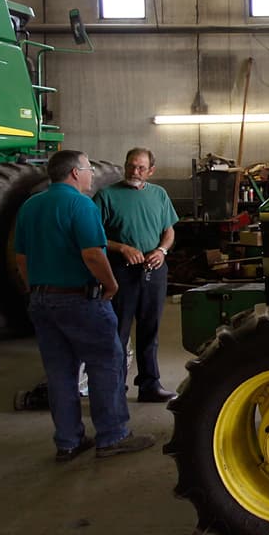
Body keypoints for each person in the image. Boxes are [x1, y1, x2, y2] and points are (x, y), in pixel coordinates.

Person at [15, 150, 155, 461]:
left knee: (60, 373)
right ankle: (113, 436)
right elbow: (93, 254)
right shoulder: (81, 204)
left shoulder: (30, 206)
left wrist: (35, 289)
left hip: (41, 300)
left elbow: (21, 258)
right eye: (89, 168)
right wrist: (111, 284)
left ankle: (67, 442)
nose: (92, 174)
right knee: (105, 364)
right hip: (79, 299)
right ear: (75, 173)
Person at [95, 147, 179, 403]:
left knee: (149, 332)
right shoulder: (106, 196)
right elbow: (94, 236)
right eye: (131, 166)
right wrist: (122, 248)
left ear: (151, 171)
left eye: (141, 167)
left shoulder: (159, 195)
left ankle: (149, 386)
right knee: (117, 333)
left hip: (154, 271)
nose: (135, 171)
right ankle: (115, 390)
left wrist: (162, 251)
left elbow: (169, 230)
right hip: (121, 272)